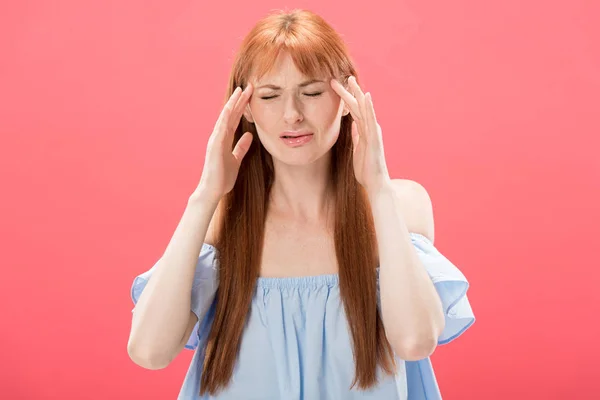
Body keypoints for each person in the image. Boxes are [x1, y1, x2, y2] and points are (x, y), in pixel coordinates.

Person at [127, 8, 475, 400]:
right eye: (270, 96)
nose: (292, 114)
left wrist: (377, 186)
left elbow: (414, 340)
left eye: (311, 93)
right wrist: (205, 194)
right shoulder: (223, 220)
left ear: (347, 99)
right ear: (246, 111)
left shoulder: (400, 204)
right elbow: (149, 351)